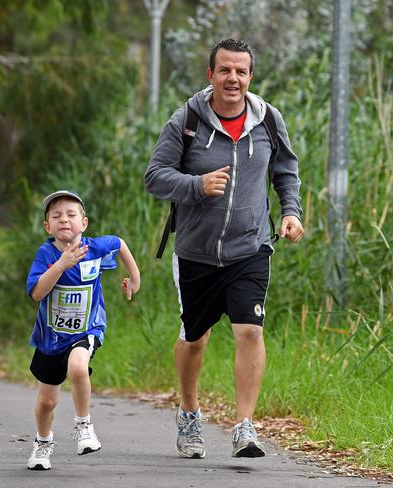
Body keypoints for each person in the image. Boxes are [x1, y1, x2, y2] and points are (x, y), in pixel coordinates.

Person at [144, 38, 304, 459]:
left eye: (241, 71)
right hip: (195, 252)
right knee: (195, 339)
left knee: (249, 331)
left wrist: (291, 213)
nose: (233, 78)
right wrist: (196, 186)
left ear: (250, 76)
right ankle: (190, 411)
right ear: (210, 74)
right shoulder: (187, 121)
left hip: (250, 248)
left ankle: (245, 427)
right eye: (225, 70)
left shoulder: (268, 120)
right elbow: (155, 176)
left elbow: (286, 171)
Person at [25, 190, 141, 470]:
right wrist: (61, 264)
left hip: (87, 329)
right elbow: (37, 293)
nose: (64, 219)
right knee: (47, 402)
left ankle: (84, 426)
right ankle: (42, 443)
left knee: (78, 367)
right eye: (56, 216)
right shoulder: (45, 254)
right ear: (47, 226)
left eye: (71, 214)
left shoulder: (95, 248)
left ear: (84, 223)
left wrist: (134, 280)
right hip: (51, 337)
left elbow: (120, 243)